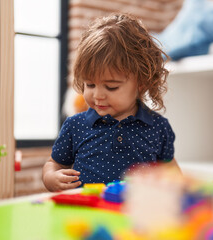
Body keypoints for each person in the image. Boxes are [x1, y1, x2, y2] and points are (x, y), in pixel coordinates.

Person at [42, 13, 181, 192]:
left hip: (136, 215)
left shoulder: (158, 127)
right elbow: (53, 164)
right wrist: (51, 177)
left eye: (111, 87)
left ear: (141, 83)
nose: (98, 95)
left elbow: (171, 170)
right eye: (90, 84)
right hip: (88, 214)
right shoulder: (75, 125)